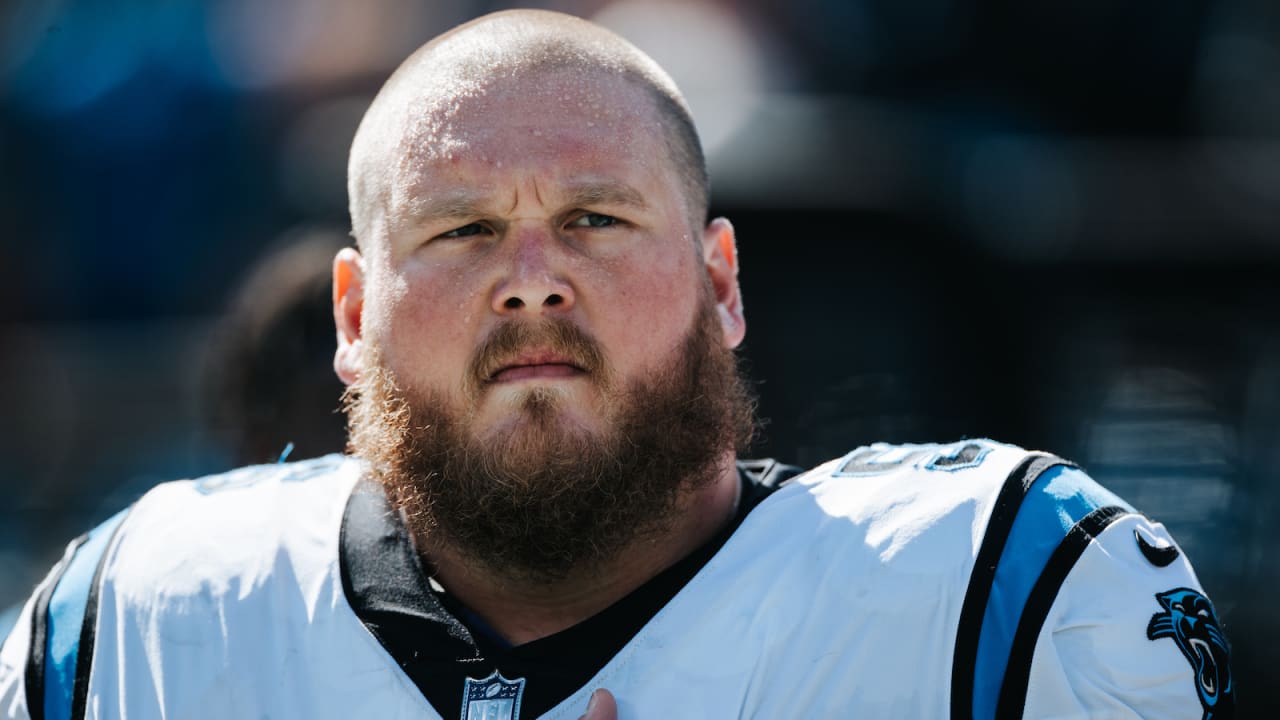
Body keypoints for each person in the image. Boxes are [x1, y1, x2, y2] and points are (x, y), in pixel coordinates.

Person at [0, 9, 1232, 720]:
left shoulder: (1004, 595)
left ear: (720, 283)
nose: (531, 274)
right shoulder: (143, 627)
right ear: (354, 313)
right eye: (462, 227)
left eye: (594, 218)